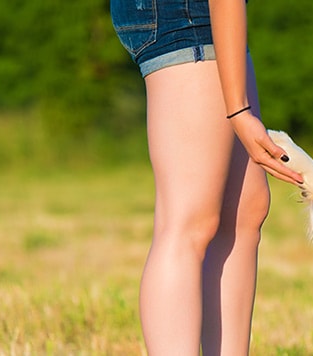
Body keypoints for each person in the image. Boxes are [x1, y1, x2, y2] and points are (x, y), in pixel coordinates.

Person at [109, 0, 303, 353]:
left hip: (195, 14)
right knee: (189, 220)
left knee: (245, 209)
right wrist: (238, 109)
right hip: (181, 12)